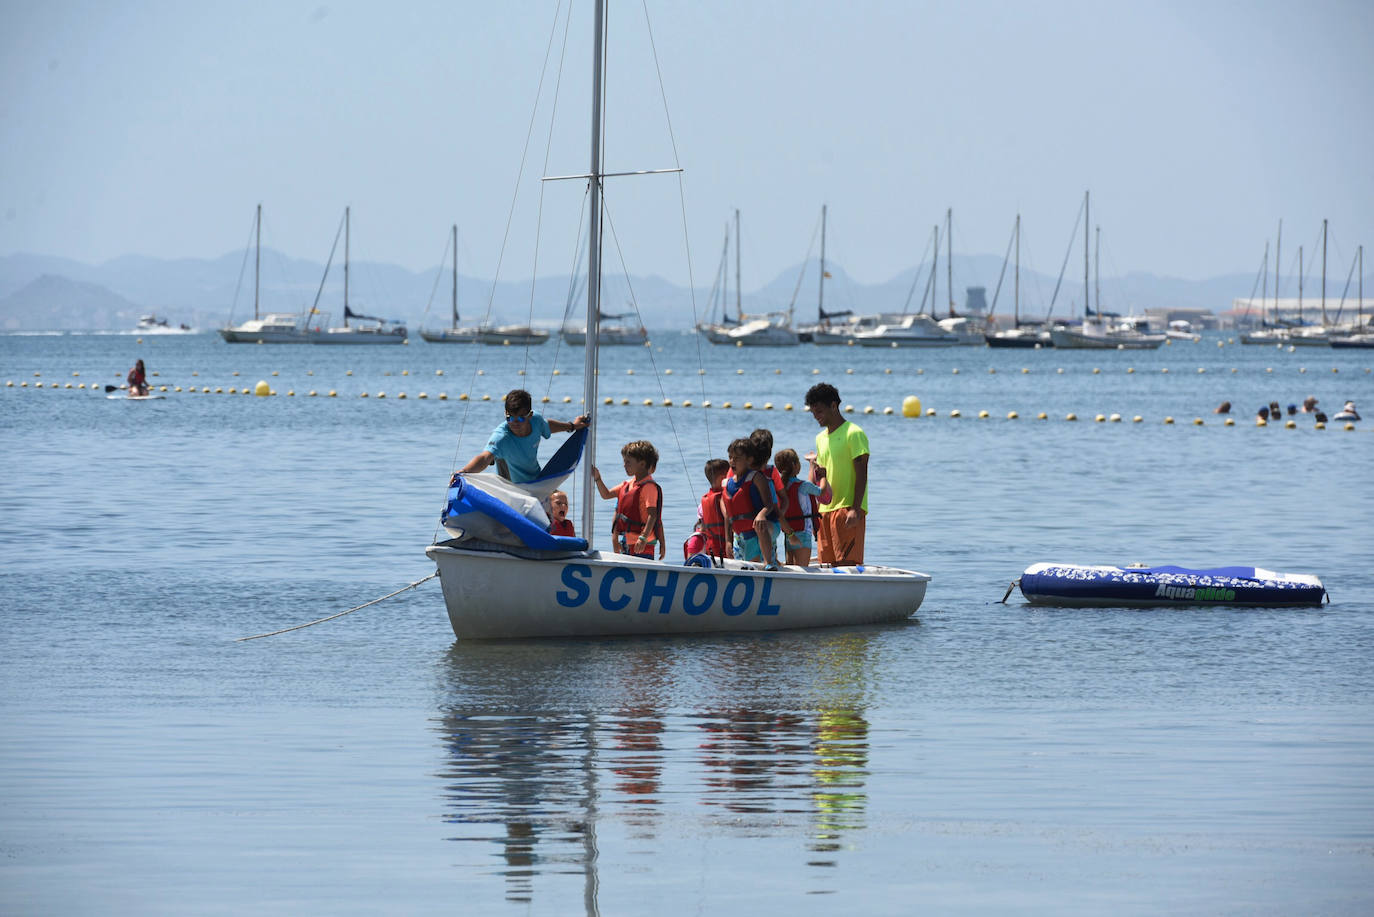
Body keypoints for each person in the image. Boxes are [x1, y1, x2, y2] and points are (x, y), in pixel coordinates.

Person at [457, 388, 589, 483]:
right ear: (505, 414)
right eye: (510, 418)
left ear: (530, 415)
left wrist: (572, 426)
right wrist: (464, 472)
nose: (514, 423)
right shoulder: (501, 437)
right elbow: (484, 458)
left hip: (536, 482)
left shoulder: (536, 420)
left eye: (520, 419)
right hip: (510, 489)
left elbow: (547, 425)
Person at [805, 382, 868, 566]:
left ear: (834, 406)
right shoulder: (820, 438)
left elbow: (862, 473)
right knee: (826, 566)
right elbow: (822, 478)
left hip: (847, 508)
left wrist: (856, 509)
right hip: (824, 512)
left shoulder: (854, 433)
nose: (816, 417)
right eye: (813, 413)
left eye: (820, 411)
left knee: (847, 564)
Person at [591, 440, 665, 559]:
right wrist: (598, 479)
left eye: (628, 462)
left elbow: (653, 516)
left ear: (642, 464)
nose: (624, 465)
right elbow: (606, 495)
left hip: (643, 544)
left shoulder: (648, 487)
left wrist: (643, 538)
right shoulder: (627, 484)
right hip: (627, 543)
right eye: (624, 461)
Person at [722, 437, 780, 569]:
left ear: (749, 460)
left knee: (759, 527)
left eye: (737, 458)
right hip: (743, 532)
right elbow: (728, 516)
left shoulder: (757, 478)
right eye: (730, 457)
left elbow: (769, 505)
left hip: (767, 525)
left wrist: (761, 515)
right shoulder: (728, 484)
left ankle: (768, 563)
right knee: (749, 561)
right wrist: (728, 541)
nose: (732, 461)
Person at [775, 448, 831, 568]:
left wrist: (811, 465)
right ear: (795, 465)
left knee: (791, 567)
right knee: (801, 569)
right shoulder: (804, 486)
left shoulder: (780, 487)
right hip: (803, 534)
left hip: (788, 533)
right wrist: (823, 477)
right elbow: (821, 491)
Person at [692, 458, 730, 560]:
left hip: (711, 546)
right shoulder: (721, 497)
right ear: (723, 479)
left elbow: (703, 525)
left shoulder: (705, 498)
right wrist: (729, 541)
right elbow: (727, 517)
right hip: (724, 545)